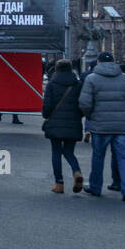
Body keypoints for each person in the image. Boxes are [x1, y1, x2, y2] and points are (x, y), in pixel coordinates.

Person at [78, 51, 125, 202]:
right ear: (114, 62)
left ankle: (95, 187)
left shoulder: (91, 79)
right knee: (124, 158)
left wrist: (90, 116)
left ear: (98, 62)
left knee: (98, 156)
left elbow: (84, 103)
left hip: (100, 125)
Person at [41, 58, 85, 193]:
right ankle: (76, 171)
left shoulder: (52, 84)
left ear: (57, 69)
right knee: (69, 152)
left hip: (55, 122)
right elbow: (82, 104)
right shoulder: (78, 84)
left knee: (56, 152)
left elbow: (47, 107)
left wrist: (46, 115)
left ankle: (59, 183)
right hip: (73, 122)